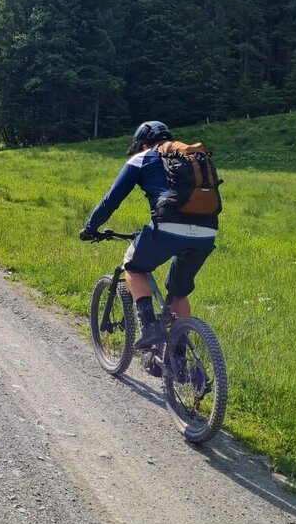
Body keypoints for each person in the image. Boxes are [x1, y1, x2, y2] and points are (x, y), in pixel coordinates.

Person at [79, 120, 218, 352]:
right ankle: (180, 355)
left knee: (133, 265)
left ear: (144, 144)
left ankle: (149, 327)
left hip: (167, 229)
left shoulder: (142, 158)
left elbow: (110, 200)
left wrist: (90, 227)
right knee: (178, 291)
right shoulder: (193, 158)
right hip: (207, 232)